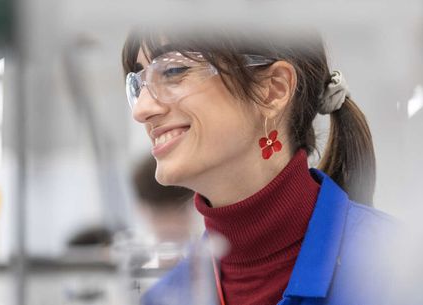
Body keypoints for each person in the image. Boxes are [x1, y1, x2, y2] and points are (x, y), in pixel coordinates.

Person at [122, 28, 396, 305]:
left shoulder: (396, 272)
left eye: (173, 71)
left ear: (273, 90)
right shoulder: (166, 298)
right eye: (138, 84)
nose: (141, 110)